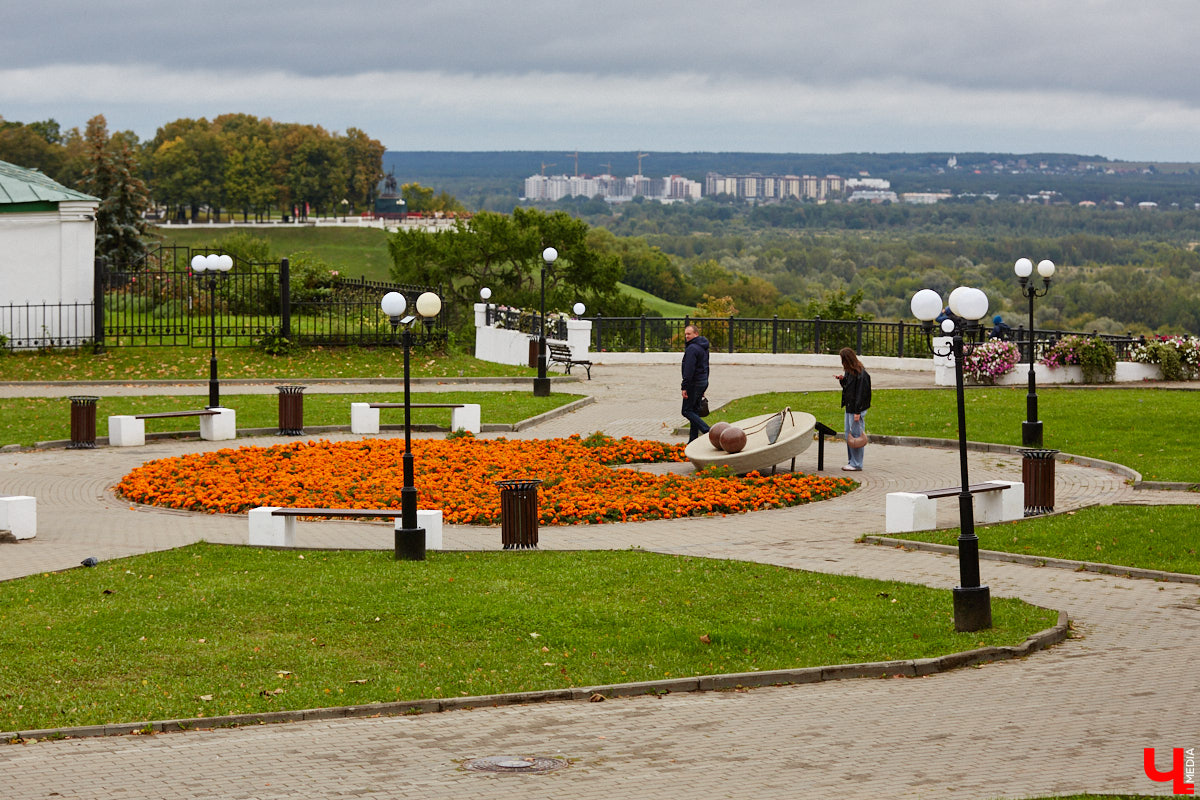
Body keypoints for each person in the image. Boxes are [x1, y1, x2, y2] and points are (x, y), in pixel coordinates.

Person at [836, 347, 871, 471]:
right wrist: (842, 380)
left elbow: (861, 393)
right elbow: (848, 388)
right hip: (850, 407)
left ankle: (856, 464)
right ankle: (852, 461)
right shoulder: (849, 372)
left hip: (856, 409)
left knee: (856, 435)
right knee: (849, 434)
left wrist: (857, 412)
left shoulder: (861, 373)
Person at [680, 324, 711, 442]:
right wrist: (704, 386)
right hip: (702, 381)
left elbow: (689, 370)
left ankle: (707, 430)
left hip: (694, 383)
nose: (686, 336)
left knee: (686, 411)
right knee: (694, 411)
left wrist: (684, 387)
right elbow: (706, 366)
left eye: (689, 334)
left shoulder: (692, 348)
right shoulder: (703, 347)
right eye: (685, 334)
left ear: (696, 334)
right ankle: (692, 440)